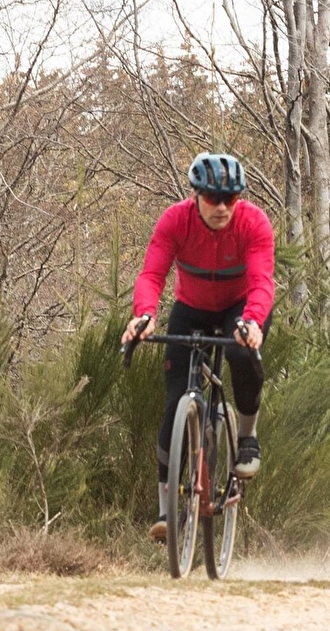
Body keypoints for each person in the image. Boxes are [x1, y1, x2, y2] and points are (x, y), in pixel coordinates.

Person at [121, 152, 275, 542]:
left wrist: (254, 321)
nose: (222, 207)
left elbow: (261, 281)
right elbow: (151, 273)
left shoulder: (254, 223)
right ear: (195, 196)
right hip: (191, 308)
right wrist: (144, 315)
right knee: (175, 403)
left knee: (242, 354)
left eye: (231, 199)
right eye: (212, 198)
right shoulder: (175, 221)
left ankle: (246, 436)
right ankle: (166, 509)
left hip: (240, 309)